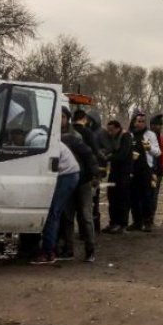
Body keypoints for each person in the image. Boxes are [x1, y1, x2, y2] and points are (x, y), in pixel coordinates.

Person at [31, 108, 81, 265]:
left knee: (53, 212)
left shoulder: (37, 141)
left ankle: (48, 252)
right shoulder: (46, 140)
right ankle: (49, 248)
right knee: (54, 212)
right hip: (67, 175)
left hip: (67, 176)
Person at [59, 111, 100, 263]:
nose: (59, 119)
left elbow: (88, 155)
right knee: (67, 217)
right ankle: (69, 250)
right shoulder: (53, 136)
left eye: (62, 116)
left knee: (86, 216)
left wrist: (95, 175)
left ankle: (90, 250)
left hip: (82, 181)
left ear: (67, 119)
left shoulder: (74, 136)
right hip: (67, 182)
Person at [128, 112, 161, 232]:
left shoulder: (150, 135)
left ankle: (148, 221)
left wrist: (149, 148)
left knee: (146, 196)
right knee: (133, 196)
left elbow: (158, 152)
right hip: (132, 169)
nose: (141, 123)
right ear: (134, 122)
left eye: (143, 121)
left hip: (146, 168)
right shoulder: (130, 135)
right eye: (139, 121)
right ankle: (137, 221)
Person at [104, 120, 133, 234]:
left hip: (124, 173)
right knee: (112, 197)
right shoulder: (113, 138)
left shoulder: (126, 137)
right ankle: (113, 222)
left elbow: (122, 155)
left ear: (117, 128)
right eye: (108, 131)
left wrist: (110, 157)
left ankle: (122, 224)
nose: (110, 133)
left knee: (122, 198)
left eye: (112, 130)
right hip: (114, 172)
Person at [150, 114, 163, 222]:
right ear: (152, 126)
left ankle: (151, 216)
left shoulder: (162, 139)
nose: (161, 127)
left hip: (158, 172)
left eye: (161, 125)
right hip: (148, 171)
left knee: (154, 195)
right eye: (158, 125)